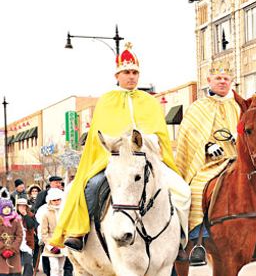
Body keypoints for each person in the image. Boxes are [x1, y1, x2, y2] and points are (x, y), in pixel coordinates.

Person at [49, 43, 190, 253]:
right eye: (126, 72)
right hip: (115, 160)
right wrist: (118, 142)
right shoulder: (107, 101)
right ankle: (80, 232)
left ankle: (178, 238)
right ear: (118, 75)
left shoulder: (149, 102)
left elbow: (160, 134)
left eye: (134, 72)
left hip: (147, 161)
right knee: (92, 186)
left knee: (183, 190)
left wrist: (147, 139)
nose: (131, 76)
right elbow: (100, 136)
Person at [175, 60, 256, 266]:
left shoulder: (241, 105)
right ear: (209, 81)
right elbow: (189, 136)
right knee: (197, 188)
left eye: (226, 78)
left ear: (231, 81)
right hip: (212, 164)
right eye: (218, 78)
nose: (222, 82)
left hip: (239, 159)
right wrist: (206, 146)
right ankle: (198, 238)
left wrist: (241, 135)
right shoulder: (197, 108)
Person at [40, 188, 67, 276]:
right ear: (50, 200)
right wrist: (51, 246)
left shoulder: (65, 212)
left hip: (63, 244)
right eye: (54, 200)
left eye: (58, 200)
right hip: (51, 244)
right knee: (54, 267)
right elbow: (44, 233)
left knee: (61, 268)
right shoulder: (46, 214)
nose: (56, 202)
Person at [0, 199, 23, 276]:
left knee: (10, 274)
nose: (6, 209)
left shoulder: (16, 221)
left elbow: (19, 235)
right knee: (2, 274)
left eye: (8, 207)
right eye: (4, 208)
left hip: (13, 251)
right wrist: (3, 249)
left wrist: (13, 249)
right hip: (1, 252)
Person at [12, 198, 37, 276]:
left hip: (27, 243)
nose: (22, 207)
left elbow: (31, 225)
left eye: (23, 206)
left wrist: (25, 215)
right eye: (20, 205)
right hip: (15, 243)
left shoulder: (30, 215)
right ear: (17, 206)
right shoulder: (12, 216)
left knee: (28, 262)